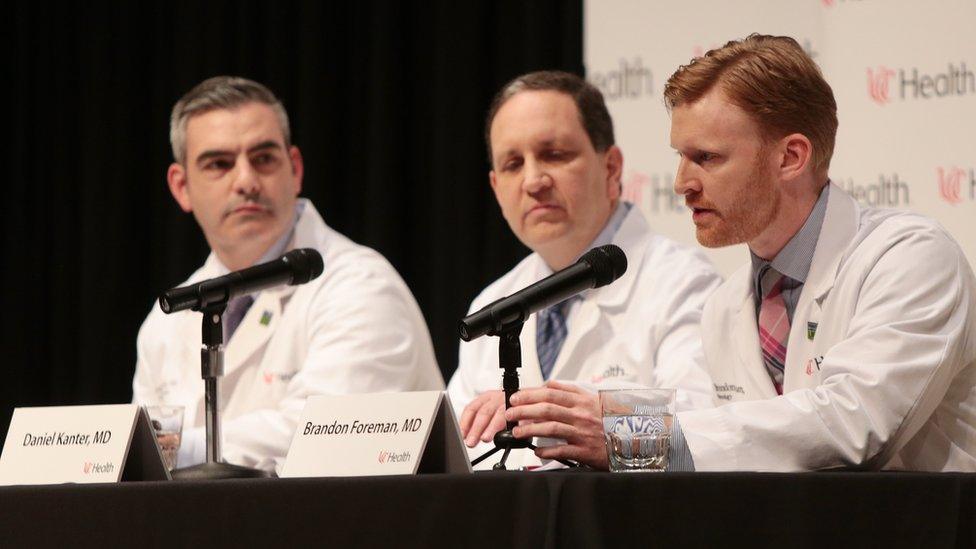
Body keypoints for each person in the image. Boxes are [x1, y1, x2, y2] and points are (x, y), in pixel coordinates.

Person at [509, 34, 976, 472]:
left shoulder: (909, 258)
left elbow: (853, 423)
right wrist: (561, 415)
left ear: (790, 158)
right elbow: (725, 426)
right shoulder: (727, 305)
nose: (681, 184)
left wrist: (632, 436)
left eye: (707, 157)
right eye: (680, 157)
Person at [133, 76, 443, 472]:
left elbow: (331, 435)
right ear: (182, 187)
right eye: (219, 164)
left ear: (294, 169)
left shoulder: (360, 286)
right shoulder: (167, 318)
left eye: (263, 159)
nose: (245, 181)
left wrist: (177, 448)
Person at [447, 70, 722, 469]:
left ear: (611, 169)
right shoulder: (493, 302)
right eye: (512, 164)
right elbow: (459, 450)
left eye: (554, 155)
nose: (533, 181)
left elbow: (703, 429)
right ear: (495, 187)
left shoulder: (682, 281)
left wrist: (553, 415)